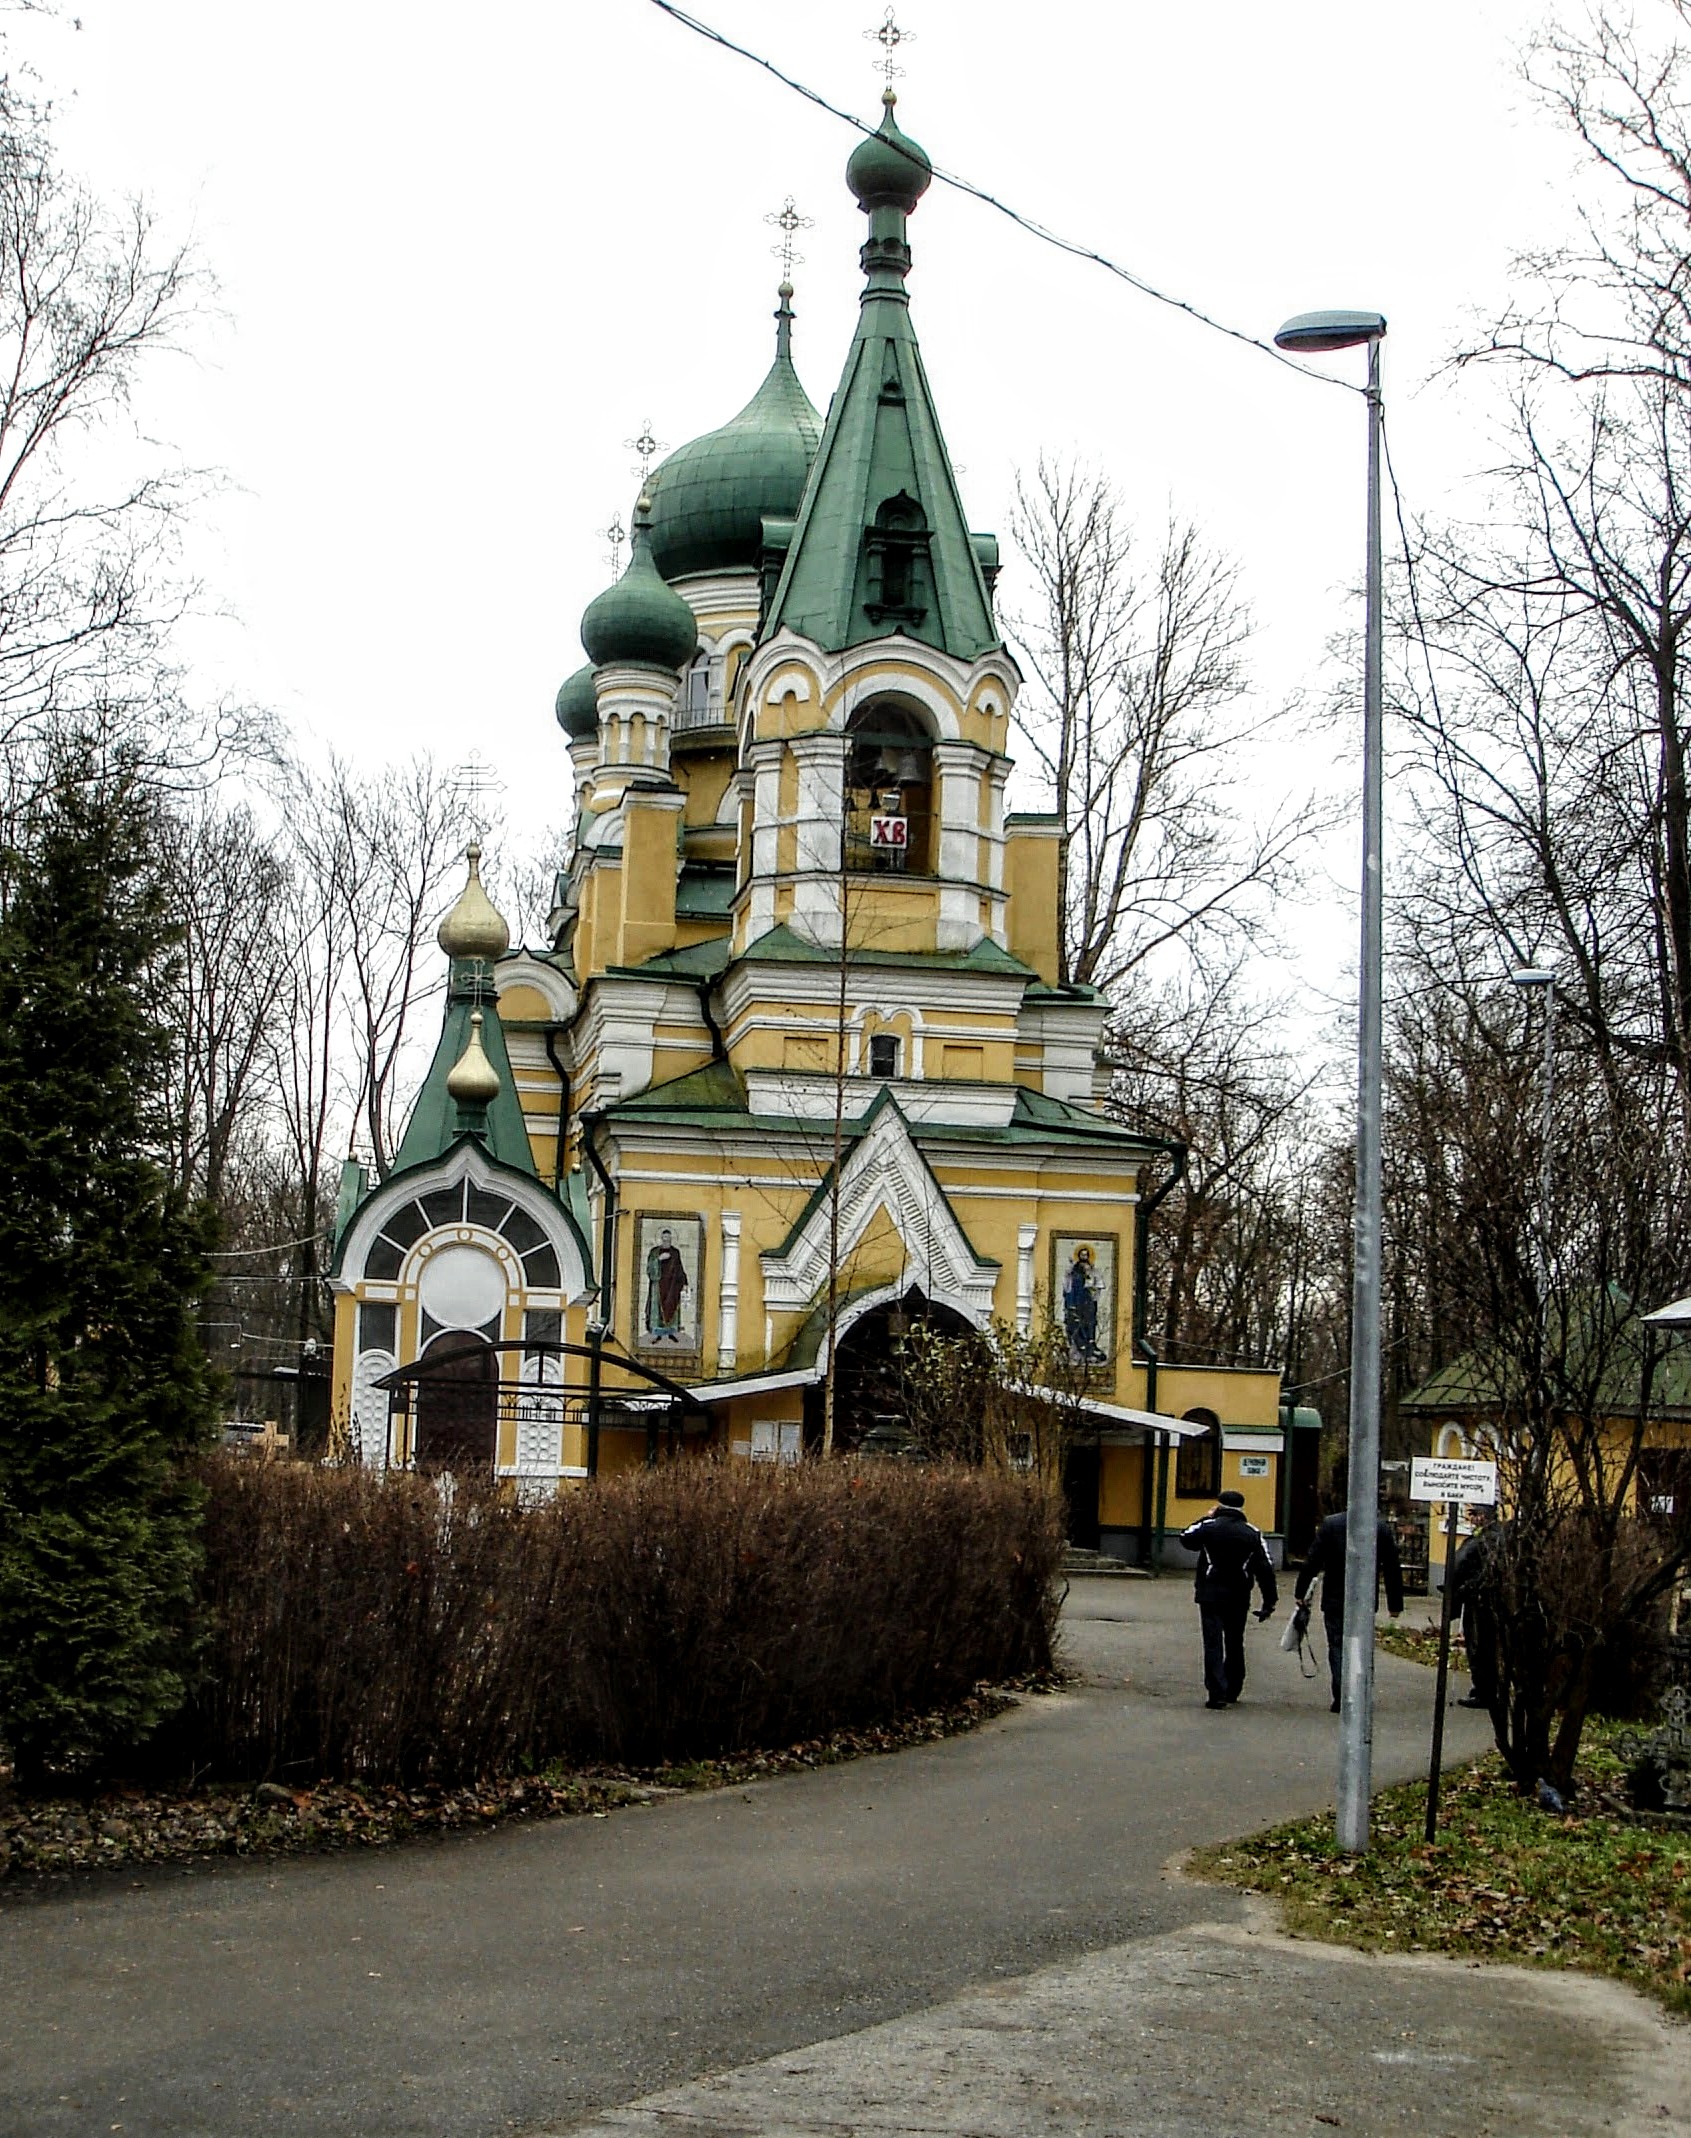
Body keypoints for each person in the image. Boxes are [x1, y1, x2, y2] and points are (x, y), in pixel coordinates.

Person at [1294, 1509, 1405, 1712]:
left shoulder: (1330, 1524)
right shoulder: (1379, 1527)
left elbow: (1313, 1560)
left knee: (1337, 1645)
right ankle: (1359, 1694)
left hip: (1335, 1597)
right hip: (1365, 1598)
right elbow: (1391, 1566)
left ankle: (1341, 1694)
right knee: (1362, 1646)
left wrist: (1301, 1592)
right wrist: (1395, 1603)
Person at [1179, 1488, 1278, 1709]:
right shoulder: (1252, 1533)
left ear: (1219, 1505)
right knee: (1235, 1641)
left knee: (1213, 1642)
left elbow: (1185, 1538)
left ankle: (1217, 1693)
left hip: (1210, 1593)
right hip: (1239, 1595)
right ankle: (1233, 1687)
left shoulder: (1209, 1527)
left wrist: (1207, 1517)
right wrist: (1269, 1601)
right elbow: (1265, 1568)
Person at [1449, 1507, 1500, 1709]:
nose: (1471, 1519)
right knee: (1481, 1646)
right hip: (1479, 1598)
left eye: (1475, 1514)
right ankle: (1483, 1689)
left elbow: (1478, 1569)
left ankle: (1484, 1692)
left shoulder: (1488, 1539)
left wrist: (1463, 1589)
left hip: (1480, 1600)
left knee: (1480, 1647)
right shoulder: (1486, 1537)